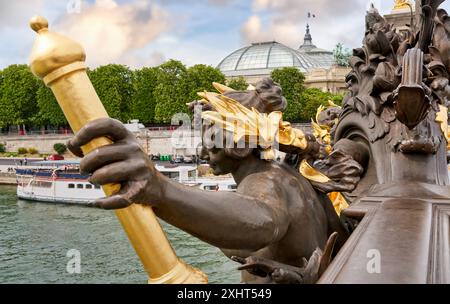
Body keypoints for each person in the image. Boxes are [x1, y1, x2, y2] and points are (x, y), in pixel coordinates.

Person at [68, 79, 352, 283]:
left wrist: (160, 189)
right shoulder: (289, 174)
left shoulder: (265, 182)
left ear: (238, 147)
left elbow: (262, 222)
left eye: (211, 145)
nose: (203, 153)